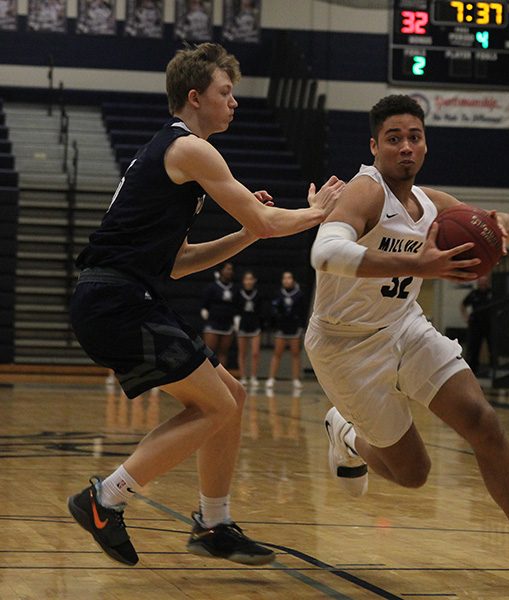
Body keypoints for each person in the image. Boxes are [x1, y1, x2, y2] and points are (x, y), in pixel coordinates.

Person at [66, 43, 343, 567]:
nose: (234, 102)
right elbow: (269, 223)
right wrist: (314, 214)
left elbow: (178, 263)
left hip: (125, 295)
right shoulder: (190, 148)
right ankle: (106, 499)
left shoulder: (175, 155)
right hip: (115, 299)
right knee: (215, 405)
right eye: (225, 92)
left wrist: (246, 234)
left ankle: (213, 523)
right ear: (194, 98)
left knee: (231, 397)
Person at [304, 94, 509, 591]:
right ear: (375, 147)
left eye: (414, 137)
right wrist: (417, 265)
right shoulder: (366, 191)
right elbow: (324, 251)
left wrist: (501, 228)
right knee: (413, 473)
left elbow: (502, 224)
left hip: (404, 326)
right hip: (345, 346)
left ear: (425, 145)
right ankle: (346, 433)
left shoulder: (432, 205)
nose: (406, 147)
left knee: (482, 420)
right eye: (394, 138)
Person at [265, 270, 306, 393]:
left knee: (295, 354)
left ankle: (295, 379)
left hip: (294, 328)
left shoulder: (299, 295)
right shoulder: (278, 294)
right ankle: (271, 378)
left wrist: (301, 326)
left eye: (289, 278)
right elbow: (273, 311)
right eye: (285, 278)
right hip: (281, 328)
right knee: (277, 354)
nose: (287, 280)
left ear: (293, 280)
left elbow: (303, 312)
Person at [201, 262, 237, 368]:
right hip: (213, 324)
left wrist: (236, 320)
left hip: (227, 324)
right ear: (221, 271)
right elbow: (204, 304)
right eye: (227, 269)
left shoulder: (234, 289)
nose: (229, 271)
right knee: (209, 352)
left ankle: (222, 379)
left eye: (231, 269)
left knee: (223, 353)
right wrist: (204, 312)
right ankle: (206, 377)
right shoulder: (212, 287)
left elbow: (236, 305)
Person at [460, 275, 493, 376]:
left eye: (484, 282)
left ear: (487, 283)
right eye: (480, 282)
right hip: (475, 325)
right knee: (473, 348)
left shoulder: (491, 293)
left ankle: (493, 369)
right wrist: (466, 317)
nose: (482, 284)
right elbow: (463, 305)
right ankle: (472, 371)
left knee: (492, 347)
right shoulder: (474, 294)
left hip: (489, 324)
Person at [236, 269, 264, 388]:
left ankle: (253, 376)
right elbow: (235, 309)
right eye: (246, 279)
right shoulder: (238, 294)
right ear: (243, 281)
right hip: (242, 325)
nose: (248, 281)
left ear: (254, 281)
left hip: (255, 325)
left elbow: (261, 311)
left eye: (250, 279)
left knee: (255, 353)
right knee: (242, 353)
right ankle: (243, 377)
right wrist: (236, 320)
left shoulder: (258, 294)